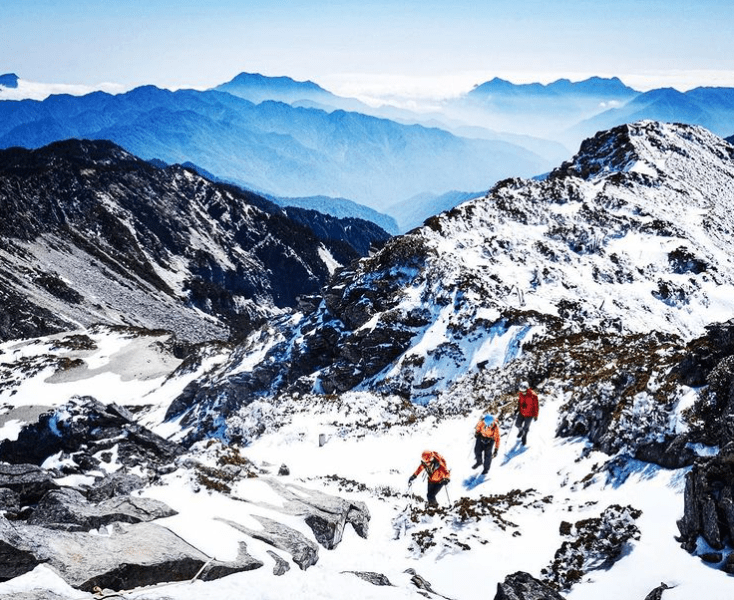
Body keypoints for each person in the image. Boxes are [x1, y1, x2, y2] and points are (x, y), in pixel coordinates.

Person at [515, 381, 539, 446]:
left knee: (526, 427)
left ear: (527, 389)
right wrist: (517, 408)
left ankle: (524, 436)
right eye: (521, 391)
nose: (522, 392)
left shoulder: (533, 395)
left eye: (523, 391)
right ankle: (520, 431)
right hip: (521, 412)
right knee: (517, 424)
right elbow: (520, 401)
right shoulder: (521, 394)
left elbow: (536, 406)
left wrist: (536, 415)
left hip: (529, 414)